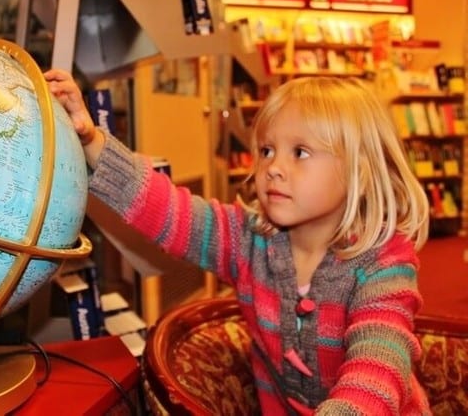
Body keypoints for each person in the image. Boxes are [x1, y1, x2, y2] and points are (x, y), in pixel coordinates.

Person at [44, 69, 432, 415]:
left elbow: (379, 365)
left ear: (360, 172)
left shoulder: (384, 261)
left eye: (300, 152)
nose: (273, 168)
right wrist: (92, 140)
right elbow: (168, 211)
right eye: (266, 150)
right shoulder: (251, 240)